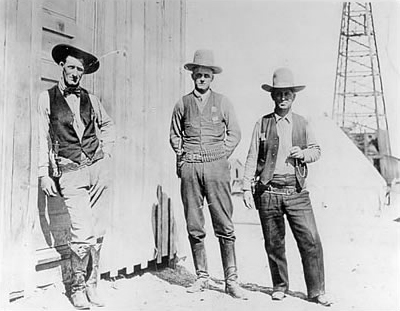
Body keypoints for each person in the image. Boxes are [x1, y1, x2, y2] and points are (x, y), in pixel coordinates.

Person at [242, 68, 332, 307]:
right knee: (274, 242)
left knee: (311, 240)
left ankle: (317, 291)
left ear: (294, 97)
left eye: (287, 94)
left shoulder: (303, 123)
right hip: (268, 192)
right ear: (273, 96)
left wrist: (302, 153)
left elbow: (317, 150)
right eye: (279, 94)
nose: (283, 98)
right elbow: (252, 157)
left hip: (296, 192)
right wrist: (244, 188)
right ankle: (280, 286)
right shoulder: (262, 124)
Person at [38, 44, 115, 309]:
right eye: (71, 67)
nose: (75, 74)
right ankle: (77, 288)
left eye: (80, 70)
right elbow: (42, 139)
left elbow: (107, 125)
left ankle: (93, 285)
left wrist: (108, 153)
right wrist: (43, 174)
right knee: (82, 231)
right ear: (62, 67)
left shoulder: (92, 99)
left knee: (99, 229)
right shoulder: (46, 98)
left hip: (98, 169)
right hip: (70, 172)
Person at [169, 50, 246, 299]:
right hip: (191, 167)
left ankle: (231, 280)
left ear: (212, 78)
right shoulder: (182, 103)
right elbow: (174, 134)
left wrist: (220, 152)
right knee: (194, 223)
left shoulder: (223, 102)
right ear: (192, 76)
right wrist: (183, 154)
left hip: (216, 167)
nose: (202, 79)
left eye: (206, 75)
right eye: (198, 74)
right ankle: (202, 276)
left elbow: (234, 132)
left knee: (224, 222)